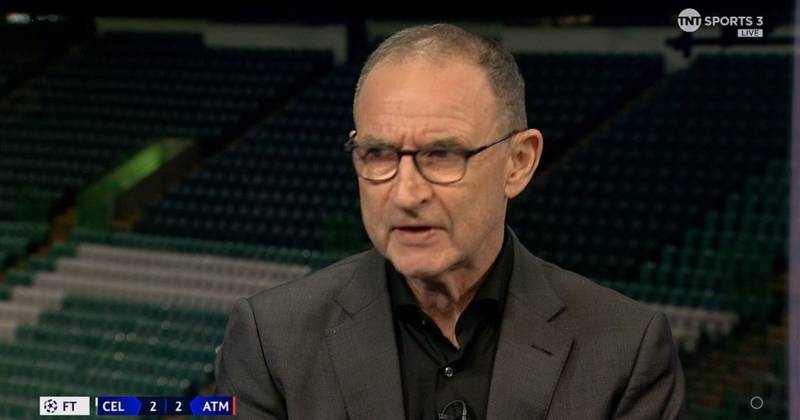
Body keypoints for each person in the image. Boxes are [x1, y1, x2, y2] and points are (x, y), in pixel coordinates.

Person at [214, 23, 686, 419]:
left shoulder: (627, 348)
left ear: (519, 162)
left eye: (442, 155)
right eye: (378, 153)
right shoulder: (269, 339)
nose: (405, 194)